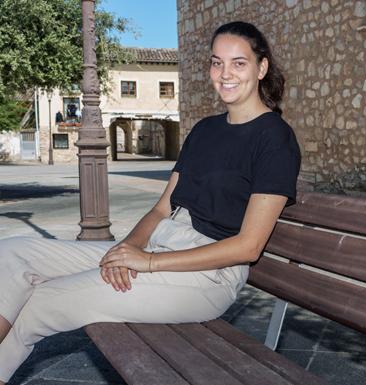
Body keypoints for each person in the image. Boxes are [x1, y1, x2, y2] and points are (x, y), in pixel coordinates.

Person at [0, 21, 300, 383]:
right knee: (12, 255)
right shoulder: (205, 130)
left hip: (208, 274)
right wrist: (125, 251)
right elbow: (162, 209)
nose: (225, 74)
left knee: (47, 299)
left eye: (239, 63)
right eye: (216, 62)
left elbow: (248, 247)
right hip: (161, 245)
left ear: (261, 67)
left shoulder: (275, 139)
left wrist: (149, 262)